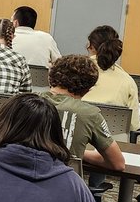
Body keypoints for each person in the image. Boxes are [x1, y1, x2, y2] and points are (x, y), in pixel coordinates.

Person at [43, 55, 125, 184]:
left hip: (16, 184)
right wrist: (77, 154)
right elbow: (118, 163)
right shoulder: (90, 114)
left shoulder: (20, 101)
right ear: (88, 89)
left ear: (50, 77)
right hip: (64, 190)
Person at [84, 25, 140, 135]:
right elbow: (134, 125)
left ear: (90, 46)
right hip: (112, 146)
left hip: (74, 143)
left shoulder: (73, 71)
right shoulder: (128, 81)